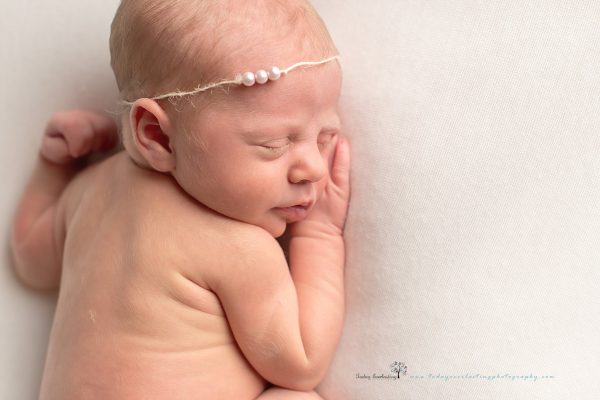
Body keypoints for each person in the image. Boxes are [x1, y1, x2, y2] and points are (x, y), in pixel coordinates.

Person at [10, 0, 351, 398]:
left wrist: (54, 168)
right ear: (156, 135)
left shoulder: (90, 190)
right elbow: (302, 362)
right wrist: (320, 234)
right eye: (273, 144)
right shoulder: (238, 246)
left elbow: (30, 260)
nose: (311, 167)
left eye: (326, 137)